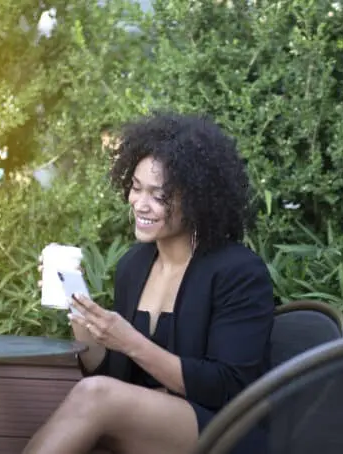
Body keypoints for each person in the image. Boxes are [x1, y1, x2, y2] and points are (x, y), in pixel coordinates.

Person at [24, 112, 275, 454]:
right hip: (152, 426)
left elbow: (227, 387)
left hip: (224, 428)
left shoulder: (239, 272)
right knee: (94, 393)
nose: (140, 204)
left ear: (198, 199)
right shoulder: (134, 265)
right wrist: (79, 309)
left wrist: (130, 341)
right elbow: (113, 375)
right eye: (136, 188)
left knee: (94, 396)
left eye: (160, 196)